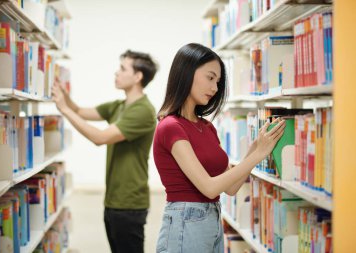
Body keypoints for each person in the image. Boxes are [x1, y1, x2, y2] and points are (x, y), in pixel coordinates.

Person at [153, 43, 286, 253]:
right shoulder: (171, 126)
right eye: (210, 77)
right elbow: (209, 187)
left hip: (212, 221)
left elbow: (231, 188)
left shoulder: (206, 127)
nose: (215, 88)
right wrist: (258, 155)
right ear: (187, 72)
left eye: (218, 81)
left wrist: (254, 150)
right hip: (185, 222)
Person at [52, 50, 158, 253]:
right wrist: (61, 91)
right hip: (113, 200)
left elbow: (99, 138)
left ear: (138, 77)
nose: (116, 73)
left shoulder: (143, 110)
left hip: (129, 202)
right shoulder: (119, 106)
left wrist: (63, 109)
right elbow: (81, 111)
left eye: (122, 68)